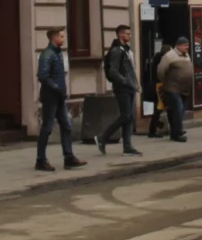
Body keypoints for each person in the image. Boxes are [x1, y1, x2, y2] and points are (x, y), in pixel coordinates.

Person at [36, 27, 86, 172]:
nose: (64, 39)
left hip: (58, 97)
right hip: (50, 97)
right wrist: (57, 87)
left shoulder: (57, 54)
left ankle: (69, 157)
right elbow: (43, 76)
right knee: (47, 128)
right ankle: (40, 160)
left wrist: (61, 91)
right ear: (54, 38)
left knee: (67, 126)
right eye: (61, 37)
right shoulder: (47, 54)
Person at [96, 25, 142, 157]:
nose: (130, 36)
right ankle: (102, 137)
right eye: (128, 34)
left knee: (129, 117)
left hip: (129, 87)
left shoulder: (126, 50)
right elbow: (113, 71)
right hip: (122, 88)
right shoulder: (117, 51)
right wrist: (126, 82)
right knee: (126, 116)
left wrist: (135, 84)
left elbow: (130, 70)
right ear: (120, 35)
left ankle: (127, 147)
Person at [156, 37, 193, 142]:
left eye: (188, 45)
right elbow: (160, 71)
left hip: (184, 88)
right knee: (178, 110)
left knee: (177, 111)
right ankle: (177, 134)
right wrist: (166, 82)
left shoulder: (186, 55)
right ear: (178, 45)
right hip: (172, 87)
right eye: (185, 45)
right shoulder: (169, 56)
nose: (187, 47)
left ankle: (176, 131)